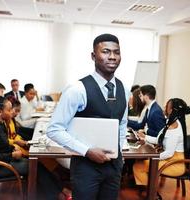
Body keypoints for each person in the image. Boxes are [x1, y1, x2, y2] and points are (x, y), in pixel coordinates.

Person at [47, 33, 129, 200]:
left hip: (114, 167)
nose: (112, 57)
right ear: (93, 56)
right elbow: (54, 129)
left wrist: (118, 154)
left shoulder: (124, 89)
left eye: (116, 52)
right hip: (86, 167)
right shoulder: (77, 89)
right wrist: (87, 151)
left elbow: (122, 124)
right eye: (106, 51)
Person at [0, 96, 64, 199]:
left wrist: (12, 148)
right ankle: (58, 194)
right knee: (35, 167)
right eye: (9, 109)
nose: (12, 112)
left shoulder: (0, 124)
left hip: (5, 161)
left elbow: (3, 144)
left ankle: (60, 191)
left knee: (37, 164)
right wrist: (11, 154)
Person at [133, 98, 190, 186]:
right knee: (141, 162)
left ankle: (150, 193)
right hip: (170, 160)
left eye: (167, 105)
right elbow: (159, 139)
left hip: (174, 164)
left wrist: (153, 158)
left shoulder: (174, 129)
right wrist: (145, 137)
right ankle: (149, 189)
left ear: (171, 110)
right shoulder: (171, 122)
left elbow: (169, 153)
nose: (164, 106)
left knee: (138, 166)